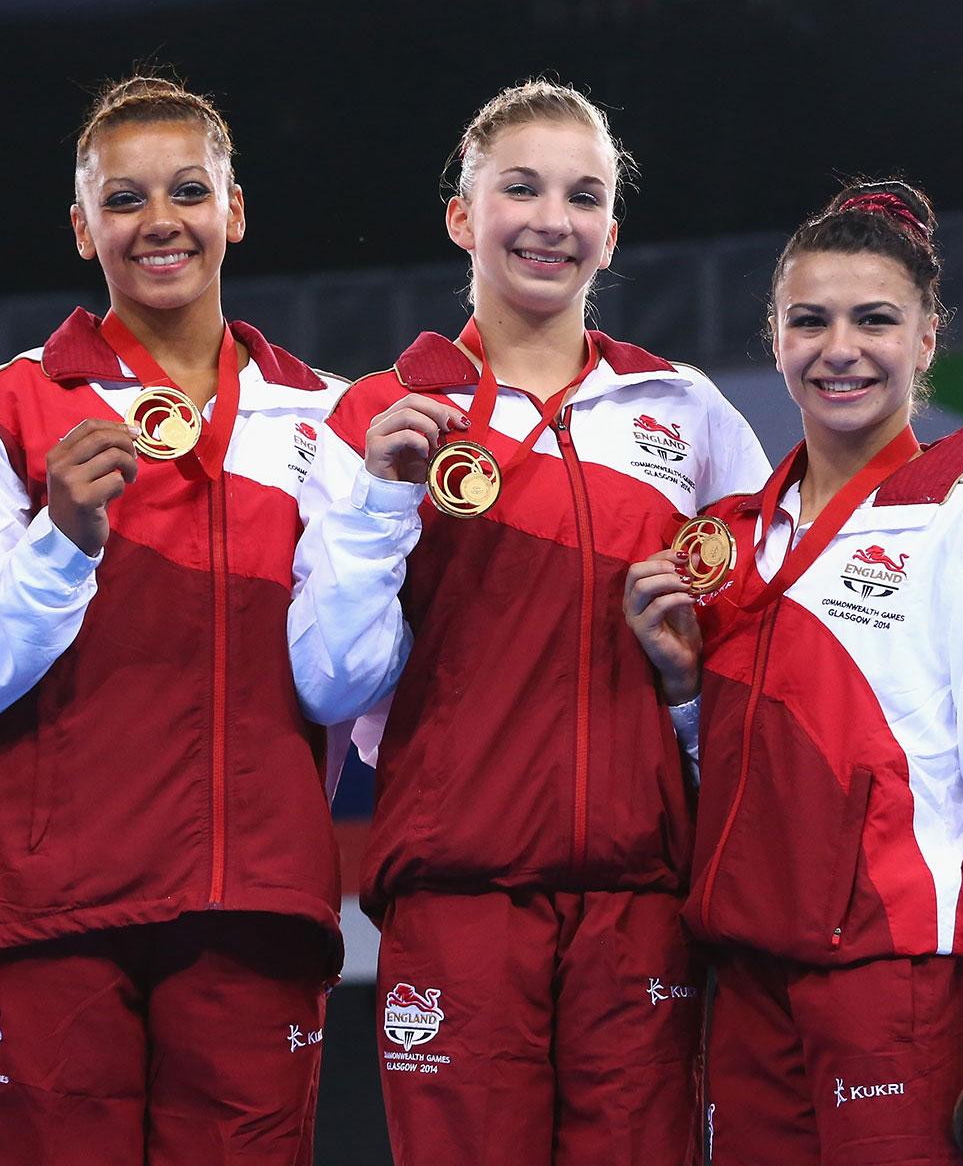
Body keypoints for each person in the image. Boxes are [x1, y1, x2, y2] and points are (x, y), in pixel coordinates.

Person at [288, 79, 768, 1164]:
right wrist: (378, 502)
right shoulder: (373, 415)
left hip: (640, 907)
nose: (551, 218)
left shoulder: (685, 414)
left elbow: (756, 668)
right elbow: (327, 683)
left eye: (582, 195)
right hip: (456, 901)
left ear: (609, 230)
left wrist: (687, 688)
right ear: (462, 217)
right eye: (520, 188)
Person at [623, 180, 963, 1165]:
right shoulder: (724, 547)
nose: (837, 349)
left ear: (926, 339)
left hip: (898, 988)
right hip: (747, 996)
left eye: (873, 320)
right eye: (807, 320)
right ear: (773, 338)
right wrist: (685, 696)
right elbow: (729, 793)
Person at [0, 74, 344, 1165]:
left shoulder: (329, 418)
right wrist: (58, 538)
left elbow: (352, 675)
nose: (159, 222)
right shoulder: (4, 409)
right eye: (123, 200)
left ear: (234, 212)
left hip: (252, 905)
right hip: (50, 912)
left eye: (188, 192)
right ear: (80, 228)